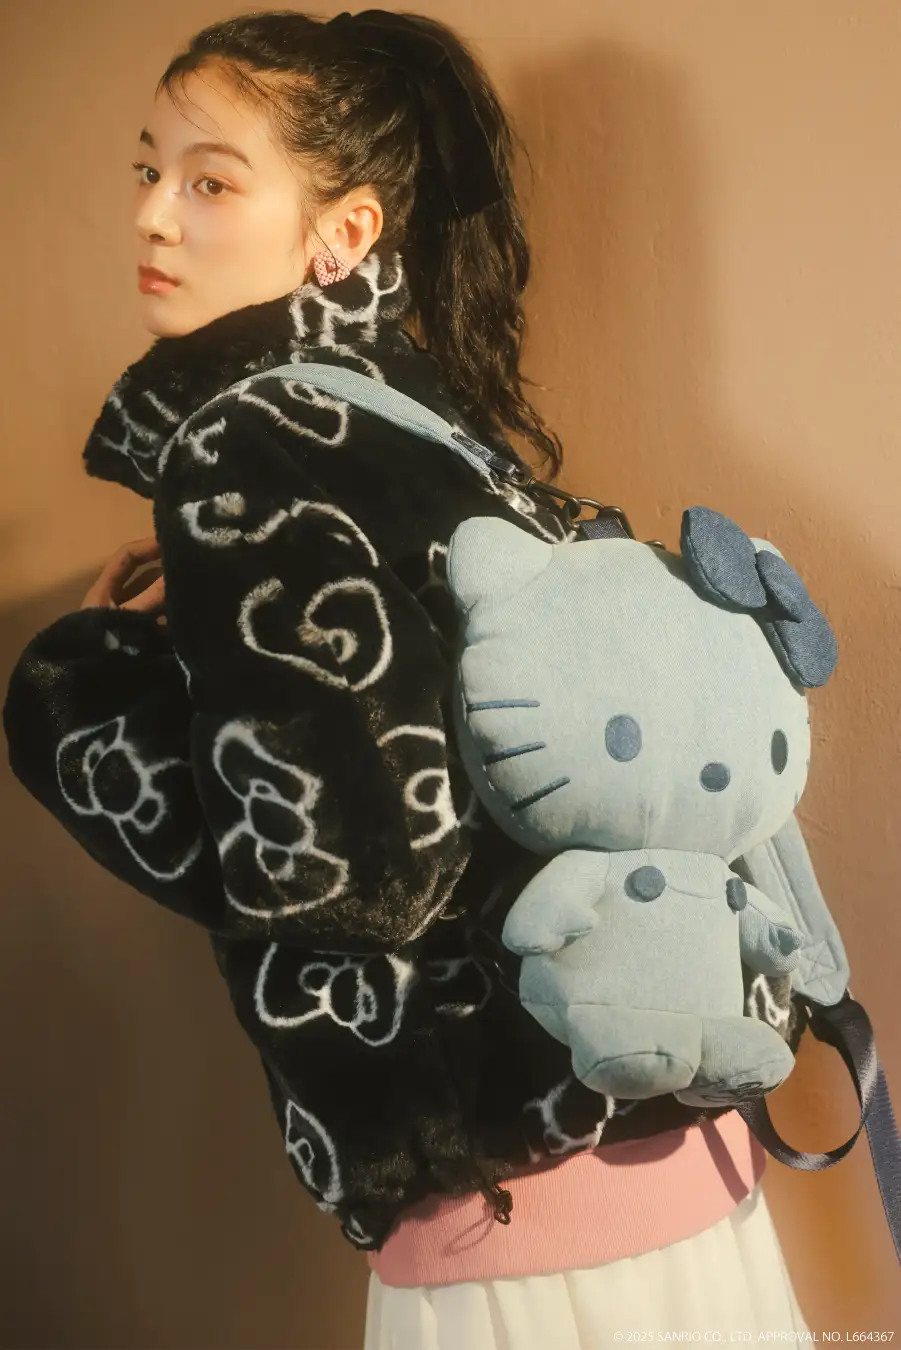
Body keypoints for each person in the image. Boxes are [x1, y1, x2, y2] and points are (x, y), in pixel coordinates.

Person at [3, 9, 813, 1345]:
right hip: (679, 1144)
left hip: (509, 1212)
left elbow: (349, 868)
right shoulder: (449, 436)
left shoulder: (245, 439)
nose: (153, 214)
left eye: (212, 182)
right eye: (148, 169)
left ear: (347, 232)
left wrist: (77, 696)